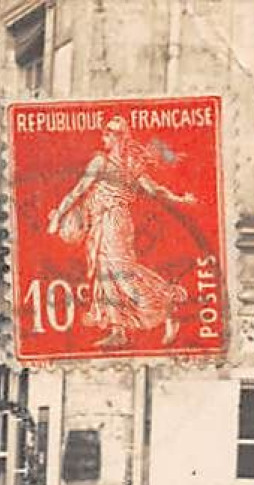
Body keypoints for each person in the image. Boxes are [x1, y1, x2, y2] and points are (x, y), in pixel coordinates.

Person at [45, 115, 196, 350]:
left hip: (113, 222)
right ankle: (118, 330)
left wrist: (57, 217)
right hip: (103, 222)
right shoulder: (121, 165)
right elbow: (80, 191)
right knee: (105, 272)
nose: (103, 137)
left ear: (118, 138)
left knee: (120, 272)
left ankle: (167, 304)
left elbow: (79, 191)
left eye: (107, 133)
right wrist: (60, 215)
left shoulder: (111, 165)